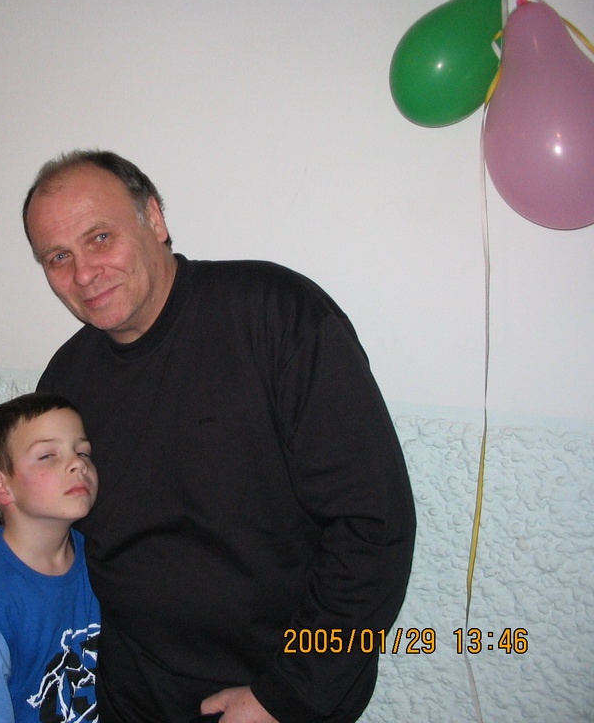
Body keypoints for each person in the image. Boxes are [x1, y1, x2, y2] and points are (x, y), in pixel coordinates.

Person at [22, 150, 416, 723]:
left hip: (271, 698)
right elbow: (49, 541)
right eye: (58, 257)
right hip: (125, 701)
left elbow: (372, 524)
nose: (84, 274)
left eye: (100, 238)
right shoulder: (66, 380)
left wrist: (288, 695)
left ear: (154, 219)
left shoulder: (275, 315)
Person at [0, 392, 101, 723]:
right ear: (2, 486)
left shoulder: (100, 559)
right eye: (48, 455)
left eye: (82, 451)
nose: (78, 464)